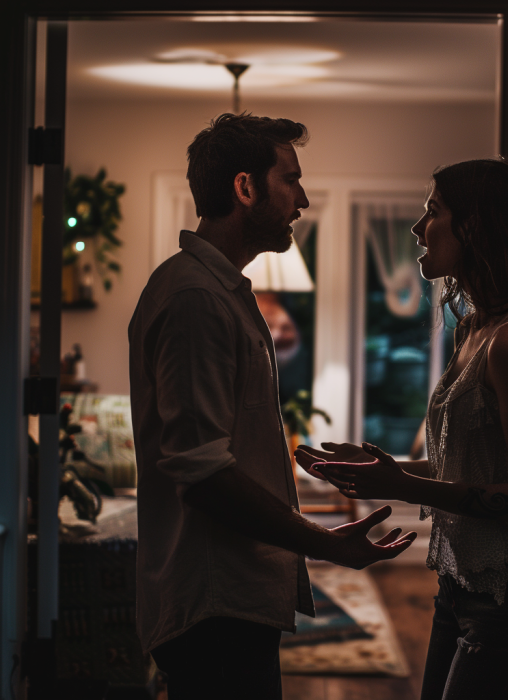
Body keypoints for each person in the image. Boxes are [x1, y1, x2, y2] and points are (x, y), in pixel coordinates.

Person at [128, 113, 416, 700]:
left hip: (232, 596)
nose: (303, 199)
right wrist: (327, 542)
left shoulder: (223, 293)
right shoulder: (195, 300)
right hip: (213, 601)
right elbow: (204, 476)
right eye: (291, 180)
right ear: (244, 188)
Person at [295, 158, 508, 700]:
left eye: (433, 211)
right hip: (467, 587)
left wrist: (404, 488)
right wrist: (386, 468)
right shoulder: (482, 327)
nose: (417, 227)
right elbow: (476, 465)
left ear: (477, 227)